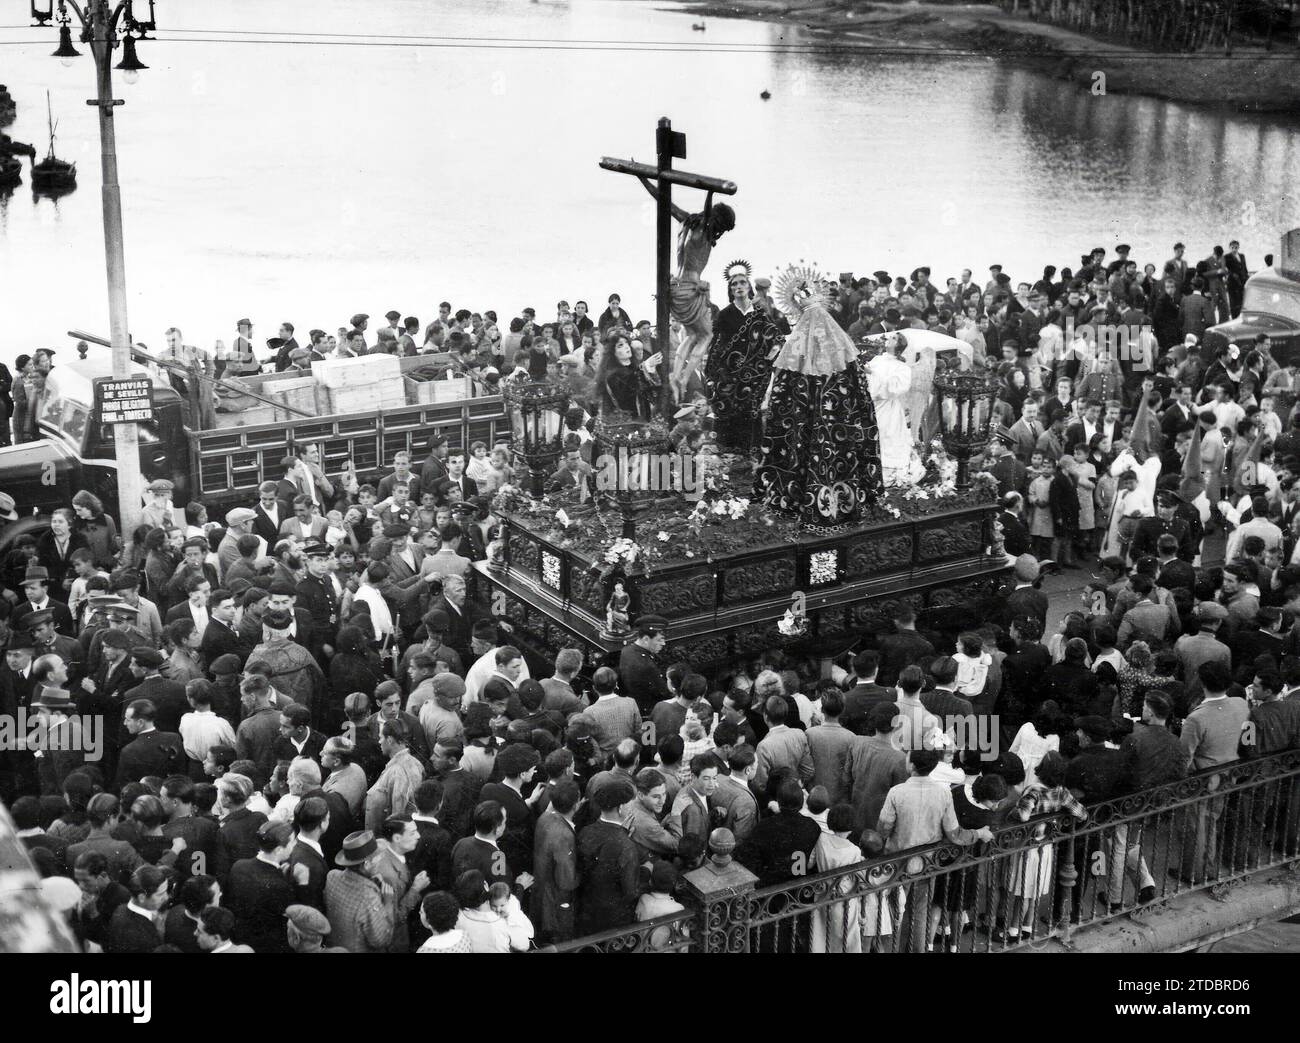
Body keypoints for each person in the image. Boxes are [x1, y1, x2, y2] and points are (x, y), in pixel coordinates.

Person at [755, 268, 884, 527]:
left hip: (809, 428)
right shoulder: (839, 347)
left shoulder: (799, 348)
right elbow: (861, 401)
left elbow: (782, 400)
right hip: (839, 429)